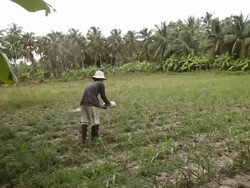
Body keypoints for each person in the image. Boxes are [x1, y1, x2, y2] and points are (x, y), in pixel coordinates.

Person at [79, 70, 110, 144]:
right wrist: (108, 103)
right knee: (95, 122)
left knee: (84, 121)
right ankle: (94, 139)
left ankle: (83, 140)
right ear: (101, 79)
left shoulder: (90, 84)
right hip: (92, 103)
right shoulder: (101, 84)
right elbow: (103, 96)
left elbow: (90, 96)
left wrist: (100, 106)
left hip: (83, 103)